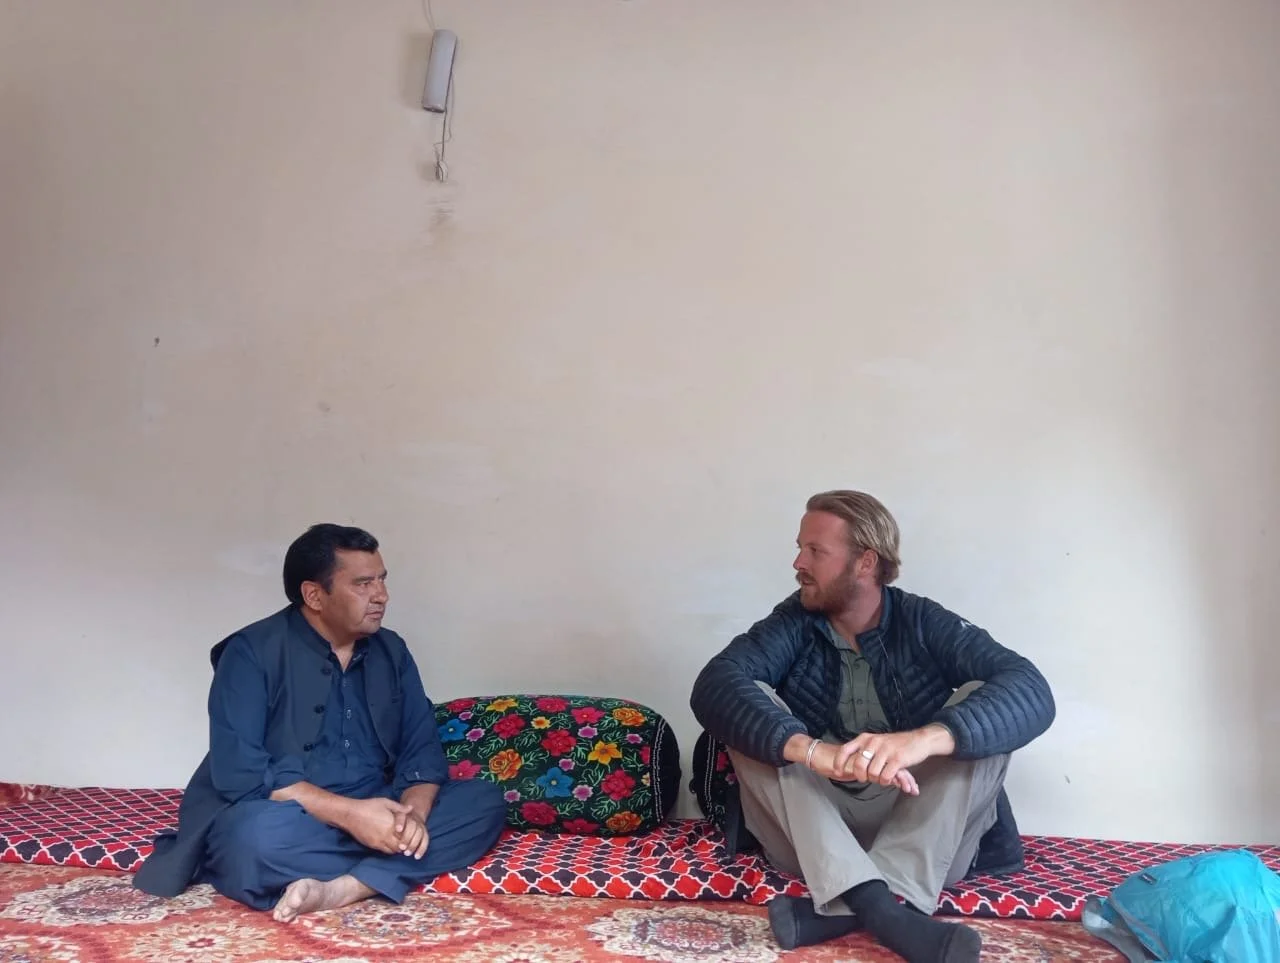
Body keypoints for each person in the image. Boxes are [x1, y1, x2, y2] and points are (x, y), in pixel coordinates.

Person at [690, 491, 1055, 962]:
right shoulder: (792, 623)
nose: (798, 562)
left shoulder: (922, 621)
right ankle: (891, 915)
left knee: (981, 706)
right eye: (800, 547)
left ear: (865, 562)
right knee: (752, 706)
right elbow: (714, 685)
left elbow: (1031, 690)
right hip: (816, 829)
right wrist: (810, 750)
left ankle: (849, 907)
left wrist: (921, 740)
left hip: (920, 826)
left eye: (815, 551)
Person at [133, 524, 506, 921]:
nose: (381, 595)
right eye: (363, 584)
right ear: (314, 595)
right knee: (253, 839)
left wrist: (410, 818)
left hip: (377, 803)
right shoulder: (251, 653)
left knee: (483, 802)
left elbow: (421, 749)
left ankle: (347, 888)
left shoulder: (391, 650)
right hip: (290, 814)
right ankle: (381, 864)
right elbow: (241, 773)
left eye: (381, 580)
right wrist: (353, 817)